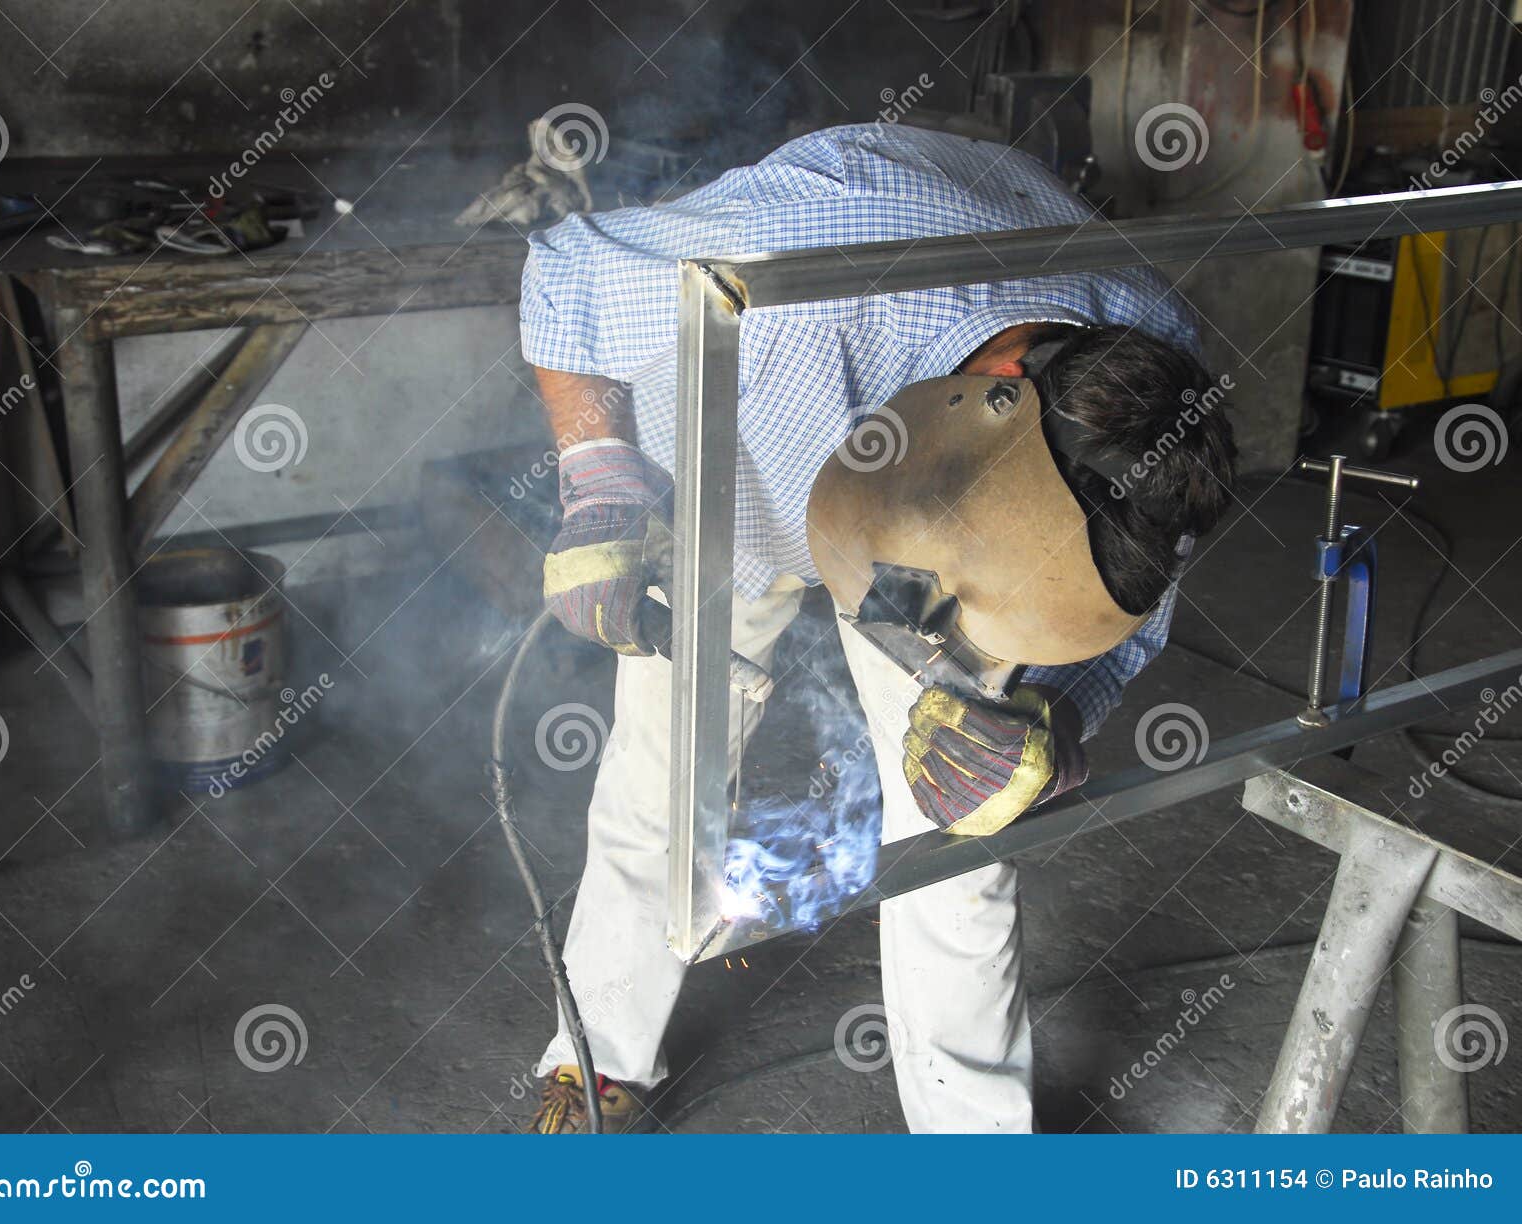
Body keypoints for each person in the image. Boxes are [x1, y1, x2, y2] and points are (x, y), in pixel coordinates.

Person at [517, 123, 1238, 1134]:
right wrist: (596, 473)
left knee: (961, 829)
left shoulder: (1159, 416)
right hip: (750, 456)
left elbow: (1117, 623)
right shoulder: (793, 254)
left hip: (930, 505)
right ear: (986, 406)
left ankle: (970, 1144)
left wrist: (1045, 738)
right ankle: (596, 1053)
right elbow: (564, 269)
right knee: (663, 766)